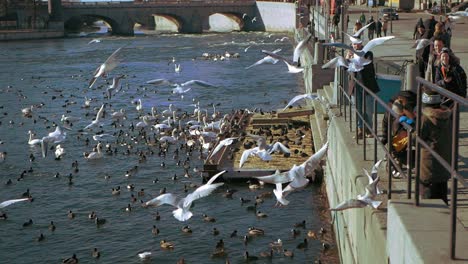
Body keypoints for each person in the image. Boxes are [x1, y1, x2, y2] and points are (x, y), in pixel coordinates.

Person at [418, 90, 452, 204]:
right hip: (444, 165)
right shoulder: (448, 117)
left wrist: (410, 128)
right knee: (442, 198)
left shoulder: (425, 119)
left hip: (429, 167)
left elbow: (416, 139)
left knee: (428, 199)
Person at [346, 38, 380, 138]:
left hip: (368, 86)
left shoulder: (368, 53)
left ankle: (369, 130)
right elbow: (345, 68)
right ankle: (360, 129)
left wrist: (354, 57)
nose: (355, 46)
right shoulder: (350, 56)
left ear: (361, 44)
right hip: (355, 87)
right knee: (357, 109)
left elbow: (365, 64)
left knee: (368, 110)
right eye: (353, 44)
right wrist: (347, 59)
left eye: (357, 44)